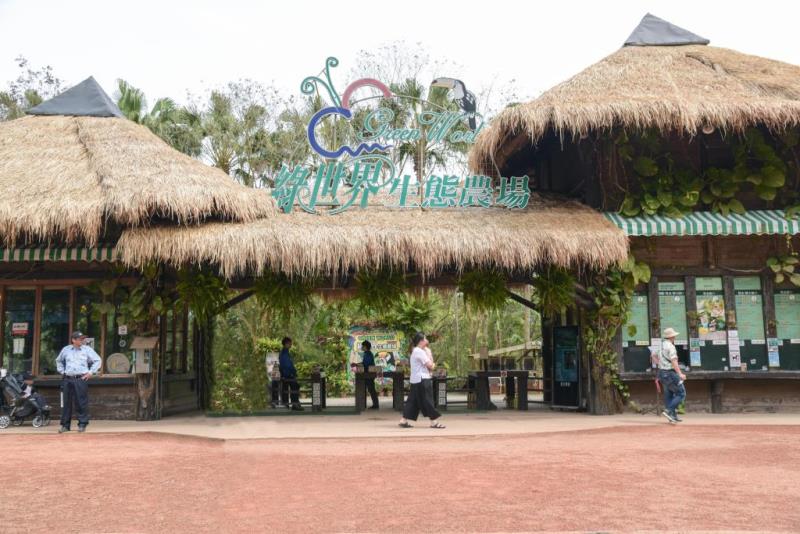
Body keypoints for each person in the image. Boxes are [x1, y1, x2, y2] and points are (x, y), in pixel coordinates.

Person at [56, 331, 101, 433]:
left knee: (81, 402)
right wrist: (62, 371)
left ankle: (82, 424)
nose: (82, 340)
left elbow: (98, 360)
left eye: (82, 339)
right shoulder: (66, 350)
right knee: (66, 403)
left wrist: (90, 372)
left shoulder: (87, 350)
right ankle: (65, 425)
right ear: (73, 340)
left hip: (81, 379)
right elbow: (58, 360)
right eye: (80, 339)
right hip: (67, 379)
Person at [398, 332, 444, 429]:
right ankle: (434, 422)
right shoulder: (420, 351)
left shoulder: (416, 350)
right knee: (427, 401)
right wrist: (432, 359)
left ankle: (403, 420)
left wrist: (428, 352)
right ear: (421, 341)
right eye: (425, 338)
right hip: (423, 379)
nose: (427, 340)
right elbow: (430, 365)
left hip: (416, 380)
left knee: (412, 402)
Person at [655, 327, 686, 424]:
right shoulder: (671, 347)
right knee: (681, 393)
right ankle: (669, 410)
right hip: (670, 373)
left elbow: (653, 355)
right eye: (674, 336)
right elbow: (674, 361)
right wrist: (680, 373)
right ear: (672, 337)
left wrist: (660, 364)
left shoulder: (661, 345)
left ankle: (672, 416)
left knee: (669, 394)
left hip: (661, 373)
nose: (675, 338)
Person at [279, 337, 303, 411]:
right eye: (290, 343)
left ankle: (289, 404)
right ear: (286, 344)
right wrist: (293, 372)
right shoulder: (284, 353)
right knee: (295, 387)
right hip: (288, 375)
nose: (291, 344)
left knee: (289, 388)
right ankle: (294, 404)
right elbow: (287, 365)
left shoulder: (285, 352)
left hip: (286, 374)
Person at [361, 340, 379, 410]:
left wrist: (359, 364)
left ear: (365, 347)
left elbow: (366, 364)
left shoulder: (368, 354)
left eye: (362, 346)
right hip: (368, 374)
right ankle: (374, 404)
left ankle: (376, 404)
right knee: (370, 389)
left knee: (371, 389)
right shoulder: (366, 353)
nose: (361, 347)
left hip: (369, 374)